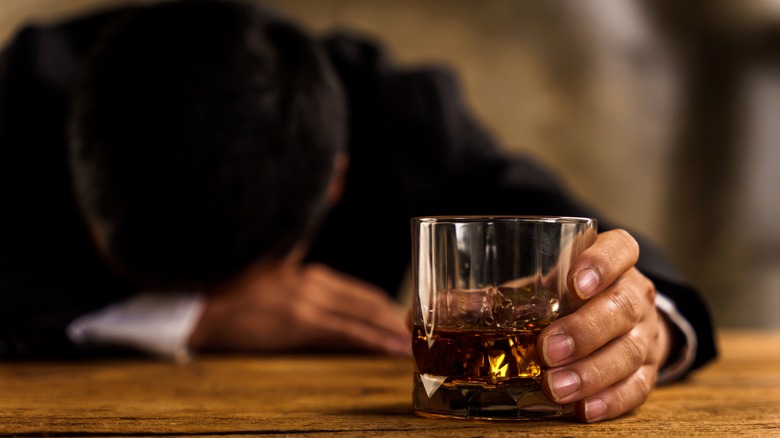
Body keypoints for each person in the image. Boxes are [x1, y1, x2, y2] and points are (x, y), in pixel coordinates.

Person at [0, 0, 716, 422]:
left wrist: (643, 323)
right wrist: (186, 320)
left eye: (239, 279)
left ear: (335, 182)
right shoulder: (25, 93)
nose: (217, 296)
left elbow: (587, 233)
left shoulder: (398, 115)